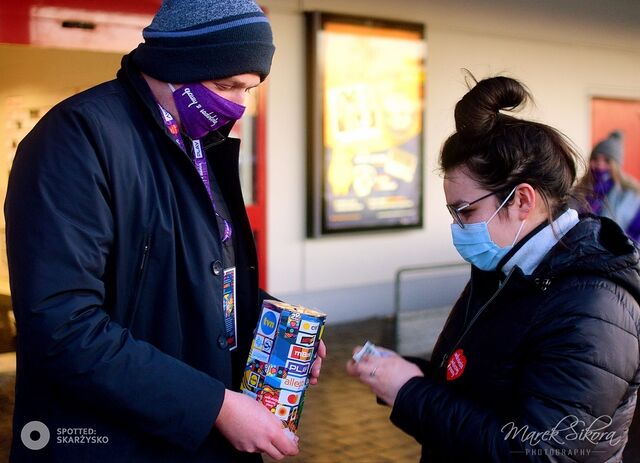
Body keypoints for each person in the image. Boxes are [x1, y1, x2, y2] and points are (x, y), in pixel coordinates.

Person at [5, 1, 324, 461]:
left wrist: (269, 322)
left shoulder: (196, 140)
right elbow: (61, 326)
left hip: (190, 436)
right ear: (176, 63)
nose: (239, 105)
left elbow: (198, 266)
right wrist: (213, 406)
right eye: (226, 85)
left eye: (251, 89)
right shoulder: (77, 137)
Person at [347, 75, 640, 461]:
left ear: (522, 200)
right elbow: (481, 383)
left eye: (466, 211)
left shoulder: (591, 306)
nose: (458, 227)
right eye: (453, 212)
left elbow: (539, 452)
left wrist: (410, 393)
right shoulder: (508, 268)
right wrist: (407, 375)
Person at [576, 130, 640, 242]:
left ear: (616, 164)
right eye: (595, 159)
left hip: (619, 255)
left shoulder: (632, 194)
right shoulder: (579, 190)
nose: (600, 164)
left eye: (606, 160)